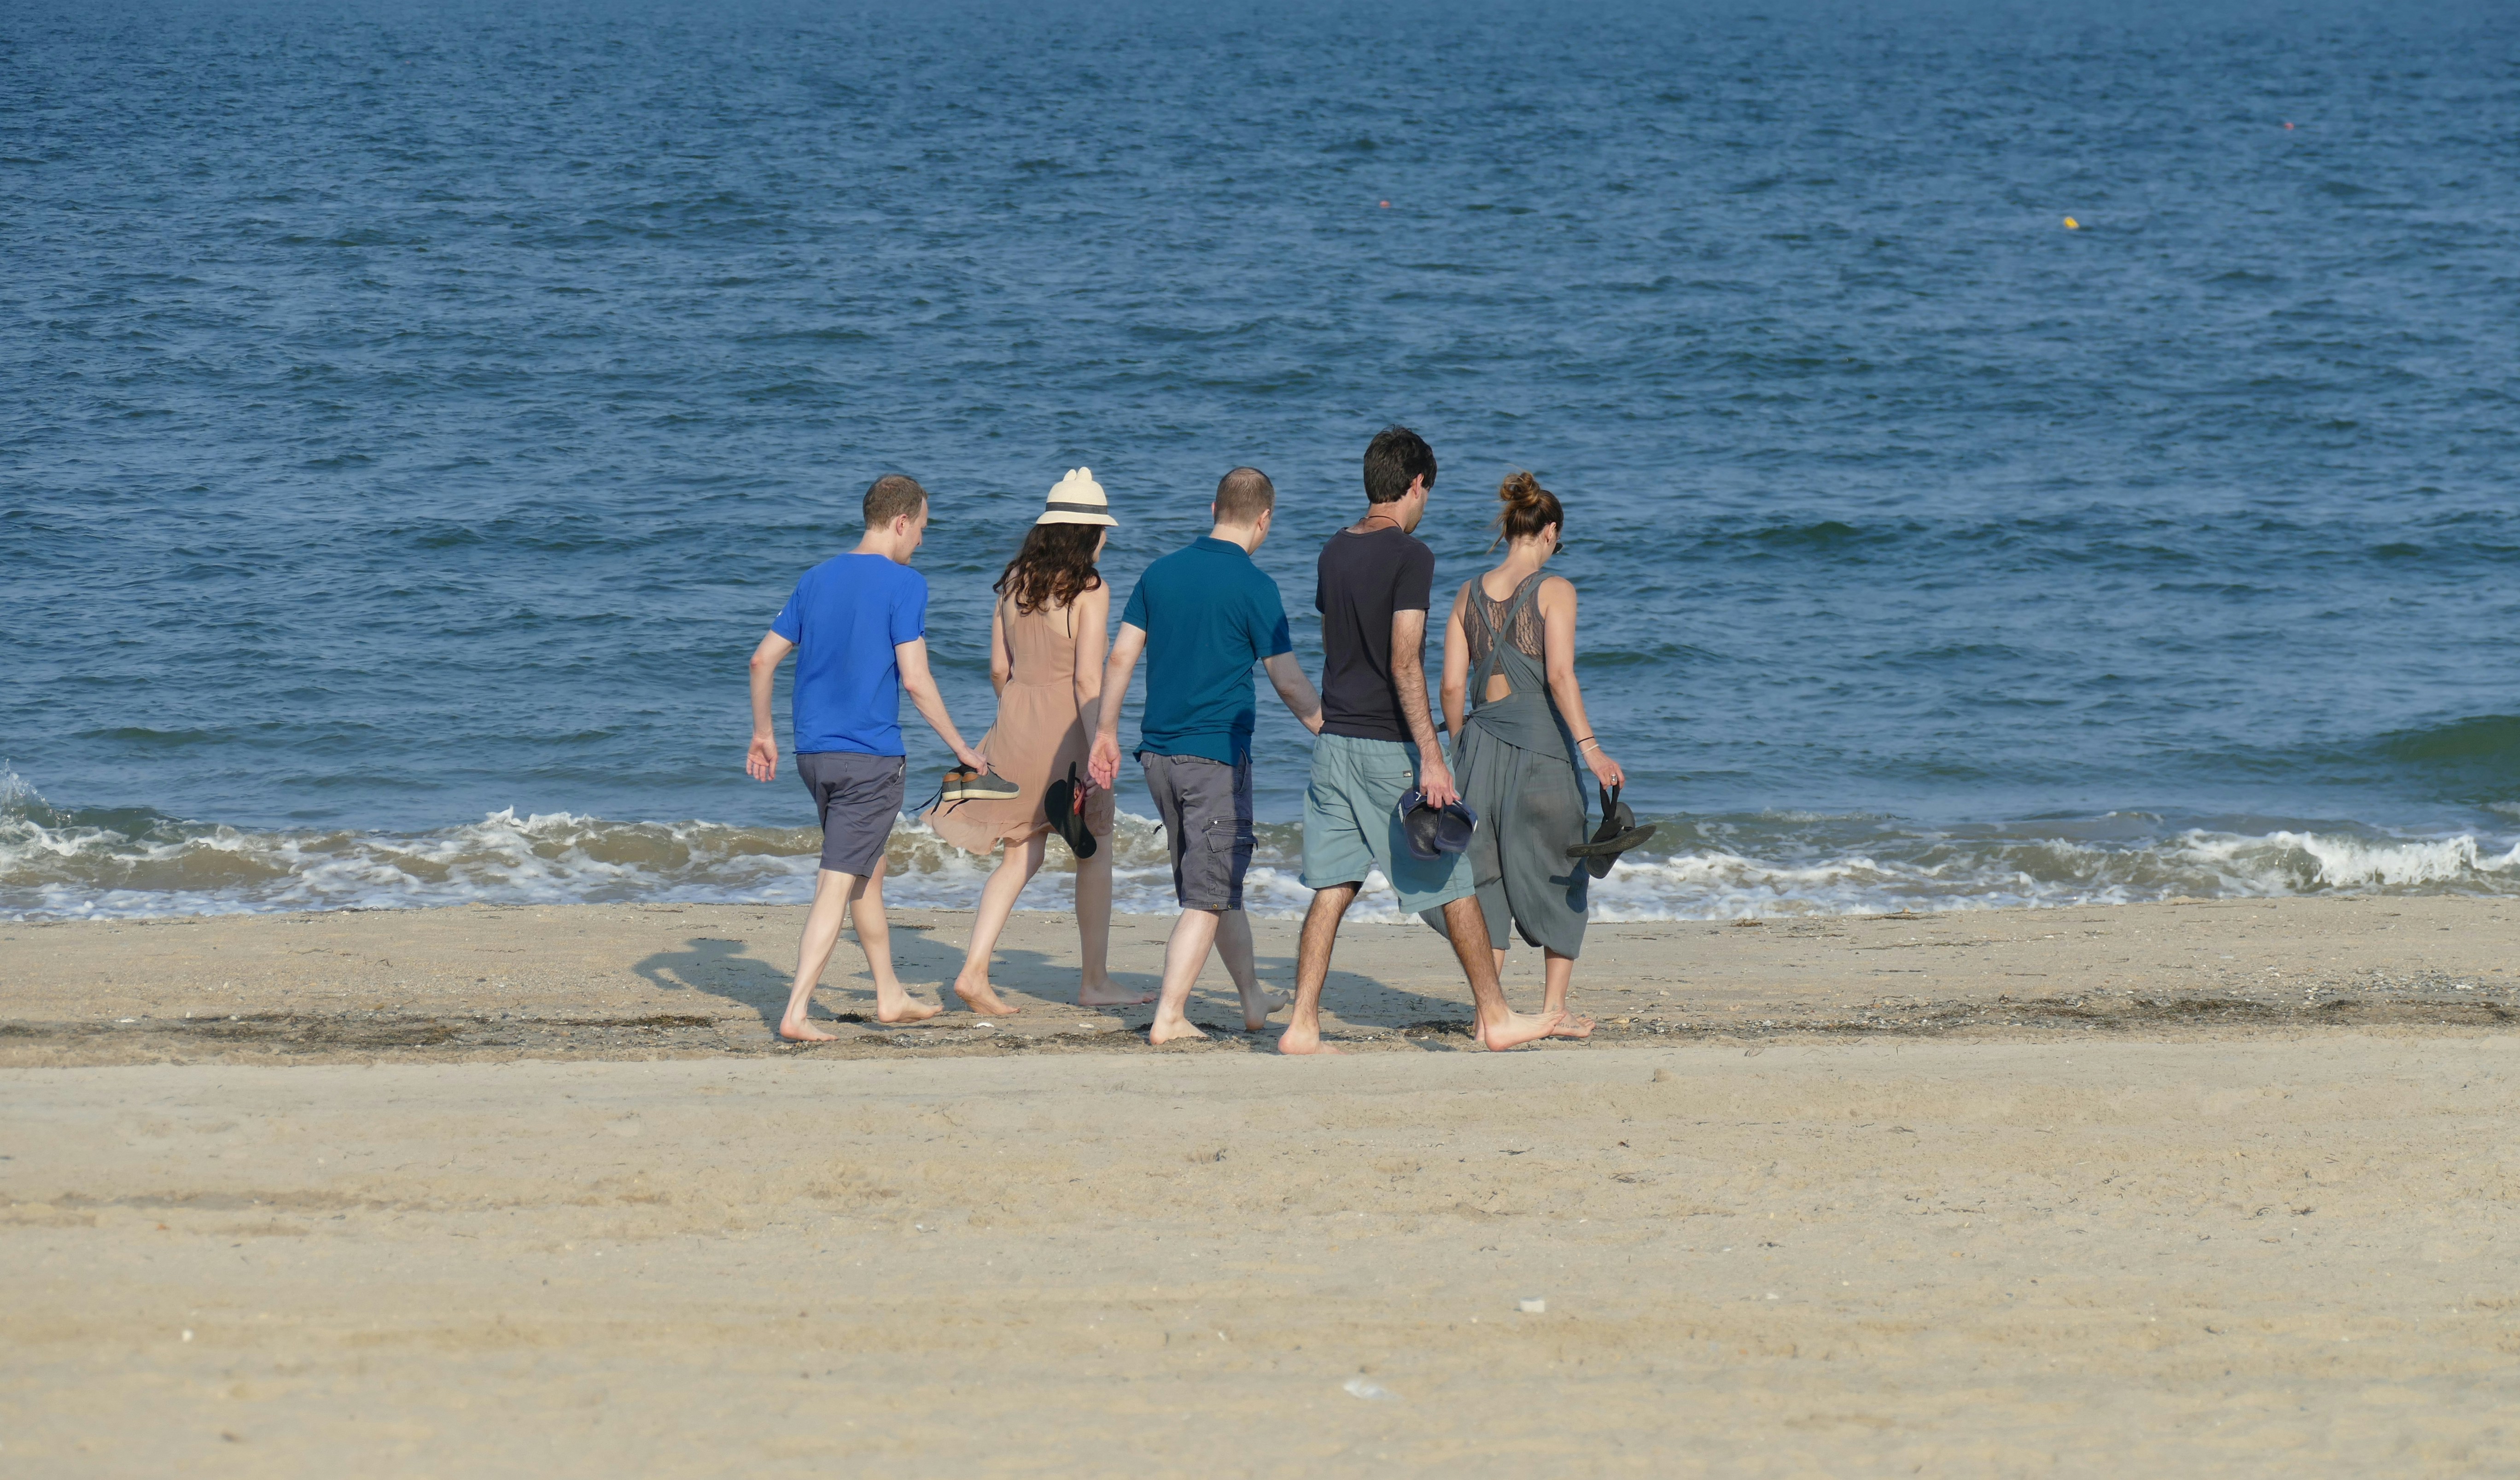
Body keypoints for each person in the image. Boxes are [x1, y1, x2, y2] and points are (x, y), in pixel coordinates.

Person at [1279, 427, 1565, 1055]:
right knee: (1453, 876)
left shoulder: (1332, 551)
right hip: (1386, 746)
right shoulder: (1412, 556)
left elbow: (1336, 646)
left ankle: (1302, 1024)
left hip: (1333, 742)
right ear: (1415, 485)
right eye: (1427, 490)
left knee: (1333, 886)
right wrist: (1432, 758)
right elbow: (1405, 660)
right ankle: (1494, 1017)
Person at [745, 474, 986, 1041]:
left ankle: (889, 995)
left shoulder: (815, 578)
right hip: (869, 762)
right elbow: (917, 679)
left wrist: (764, 733)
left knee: (865, 876)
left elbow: (761, 662)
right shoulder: (906, 584)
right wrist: (962, 749)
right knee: (838, 880)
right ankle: (797, 1011)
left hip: (814, 757)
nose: (922, 542)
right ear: (901, 522)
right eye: (922, 529)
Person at [1087, 467, 1321, 1045]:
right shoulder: (1256, 587)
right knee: (1207, 894)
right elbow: (1289, 681)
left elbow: (1119, 661)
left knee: (1218, 886)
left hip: (1159, 758)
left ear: (1214, 506)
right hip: (1214, 757)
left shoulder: (1160, 573)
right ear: (1264, 520)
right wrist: (1329, 729)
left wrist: (1106, 733)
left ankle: (1251, 997)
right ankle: (1169, 1015)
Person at [925, 469, 1141, 1014]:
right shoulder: (1091, 588)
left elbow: (999, 669)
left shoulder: (1013, 581)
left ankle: (974, 969)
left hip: (1015, 718)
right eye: (1103, 529)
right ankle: (1095, 981)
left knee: (1022, 851)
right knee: (1093, 844)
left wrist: (1018, 712)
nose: (1107, 539)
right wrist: (1099, 746)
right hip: (1068, 727)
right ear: (1086, 533)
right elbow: (1088, 681)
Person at [1424, 470, 1629, 1035]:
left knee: (1481, 876)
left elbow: (1447, 687)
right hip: (1543, 752)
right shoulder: (1556, 590)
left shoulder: (1467, 592)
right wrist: (1591, 748)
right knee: (1562, 871)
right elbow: (1559, 674)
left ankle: (1487, 1011)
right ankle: (1552, 1011)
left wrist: (1462, 742)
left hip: (1477, 750)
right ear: (1550, 533)